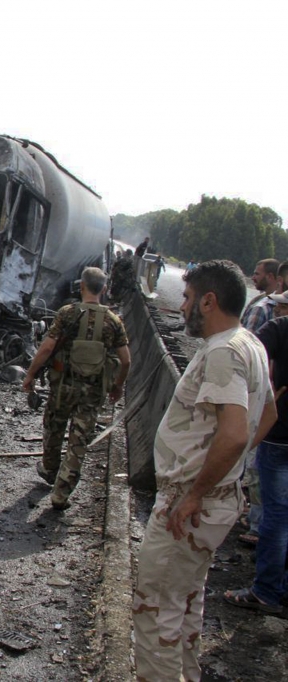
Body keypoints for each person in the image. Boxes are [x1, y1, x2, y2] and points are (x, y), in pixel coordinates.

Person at [132, 260, 276, 682]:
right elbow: (268, 413)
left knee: (155, 609)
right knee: (185, 603)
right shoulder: (250, 343)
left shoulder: (222, 352)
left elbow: (232, 434)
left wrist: (197, 491)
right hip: (215, 500)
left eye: (189, 299)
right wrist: (228, 474)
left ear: (209, 301)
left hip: (190, 503)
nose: (182, 307)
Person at [22, 267, 131, 510]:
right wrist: (118, 386)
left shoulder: (67, 314)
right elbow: (126, 360)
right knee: (78, 440)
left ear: (81, 286)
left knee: (53, 426)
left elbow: (47, 348)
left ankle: (50, 470)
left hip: (63, 386)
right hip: (92, 391)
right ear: (103, 289)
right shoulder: (114, 322)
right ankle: (61, 493)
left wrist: (30, 374)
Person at [223, 291, 288, 614]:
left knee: (276, 515)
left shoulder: (279, 329)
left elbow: (246, 354)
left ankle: (266, 590)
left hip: (279, 438)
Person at [240, 257, 280, 543]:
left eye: (257, 273)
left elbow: (246, 353)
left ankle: (257, 526)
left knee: (256, 465)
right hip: (268, 397)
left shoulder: (263, 311)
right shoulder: (266, 307)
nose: (253, 277)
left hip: (258, 396)